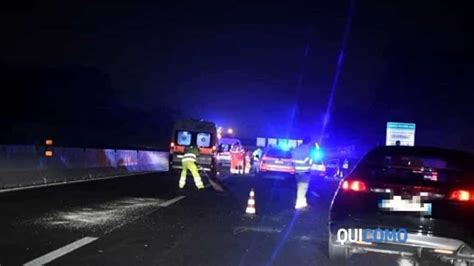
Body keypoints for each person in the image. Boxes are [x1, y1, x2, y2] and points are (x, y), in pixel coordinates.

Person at [292, 137, 313, 209]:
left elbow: (293, 161)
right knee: (303, 188)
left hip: (297, 171)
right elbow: (308, 161)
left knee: (299, 187)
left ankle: (303, 203)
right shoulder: (308, 150)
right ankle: (299, 204)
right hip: (305, 171)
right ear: (309, 143)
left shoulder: (296, 149)